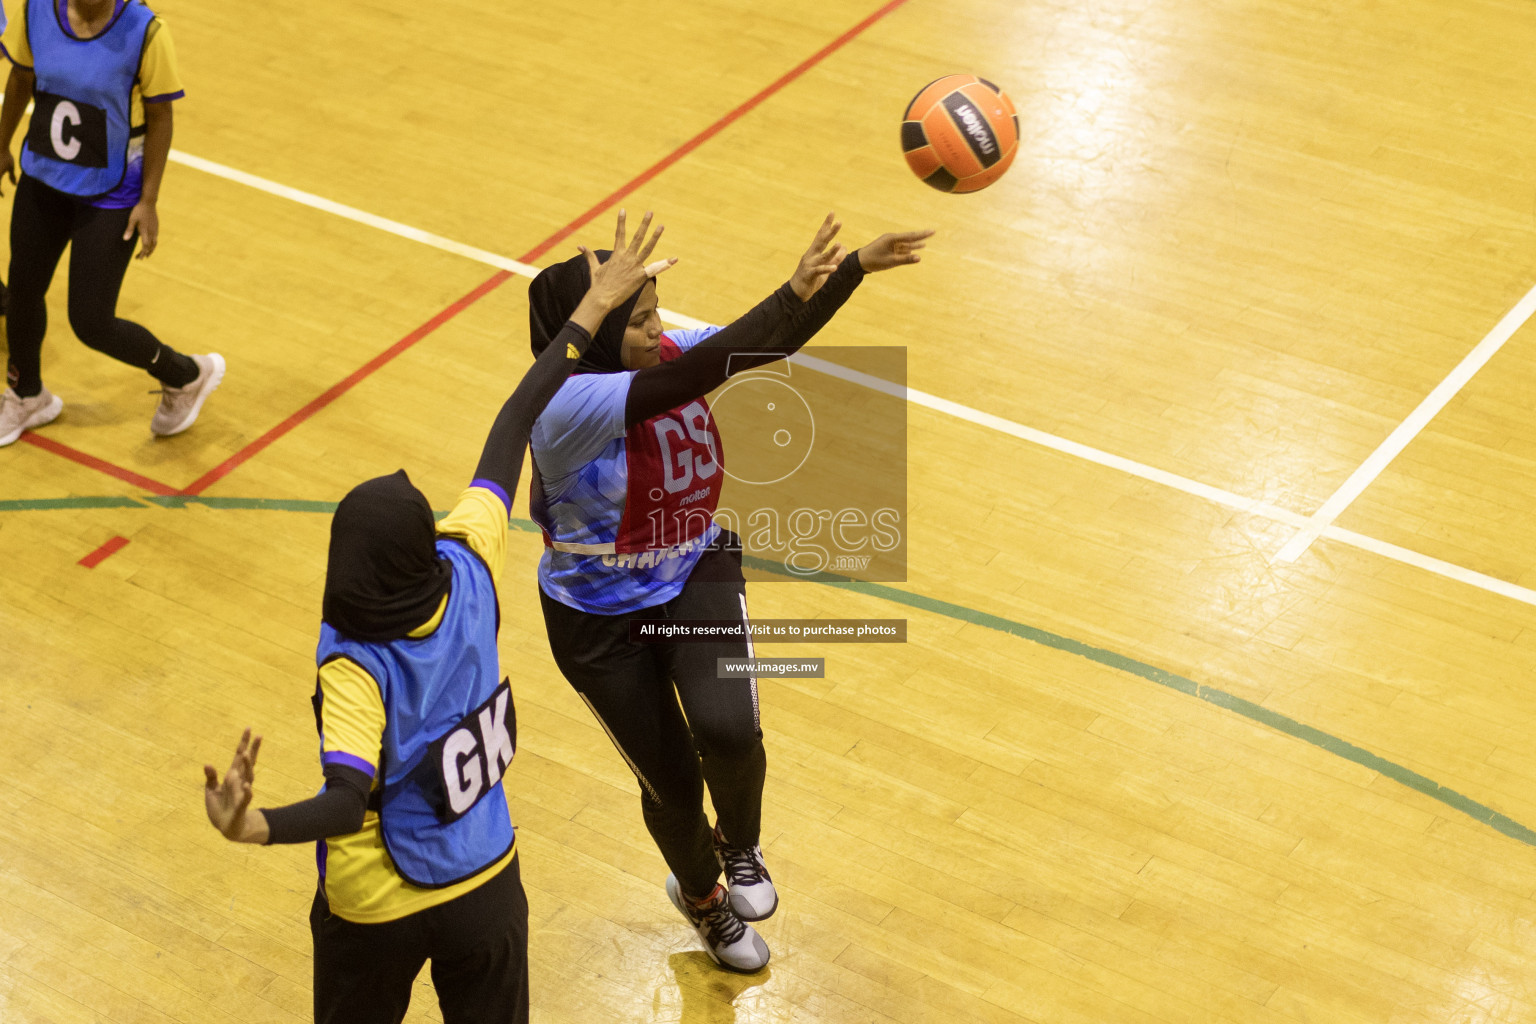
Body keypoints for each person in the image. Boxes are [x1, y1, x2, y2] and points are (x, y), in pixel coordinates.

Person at [201, 212, 675, 1023]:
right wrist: (590, 310)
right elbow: (517, 416)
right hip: (486, 881)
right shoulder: (467, 566)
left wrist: (252, 827)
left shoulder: (353, 661)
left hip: (376, 907)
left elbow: (349, 803)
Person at [526, 213, 932, 972]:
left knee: (732, 734)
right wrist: (790, 294)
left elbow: (751, 345)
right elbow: (693, 374)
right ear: (593, 336)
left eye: (655, 314)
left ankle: (740, 845)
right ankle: (703, 898)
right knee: (673, 785)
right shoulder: (564, 408)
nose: (659, 331)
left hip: (692, 569)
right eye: (640, 320)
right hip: (598, 621)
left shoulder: (667, 350)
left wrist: (846, 274)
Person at [0, 0, 221, 447]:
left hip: (112, 193)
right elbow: (21, 78)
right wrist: (1, 143)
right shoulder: (37, 11)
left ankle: (184, 375)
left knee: (91, 321)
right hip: (43, 179)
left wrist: (150, 200)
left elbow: (161, 115)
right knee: (22, 290)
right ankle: (27, 395)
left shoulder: (146, 32)